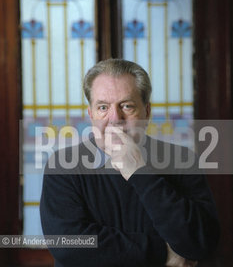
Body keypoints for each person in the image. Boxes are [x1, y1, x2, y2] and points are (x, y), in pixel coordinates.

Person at [40, 59, 220, 267]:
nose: (115, 118)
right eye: (103, 107)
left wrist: (139, 173)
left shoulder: (182, 160)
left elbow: (200, 243)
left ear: (147, 112)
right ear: (91, 115)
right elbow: (69, 245)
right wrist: (163, 252)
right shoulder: (62, 166)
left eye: (127, 106)